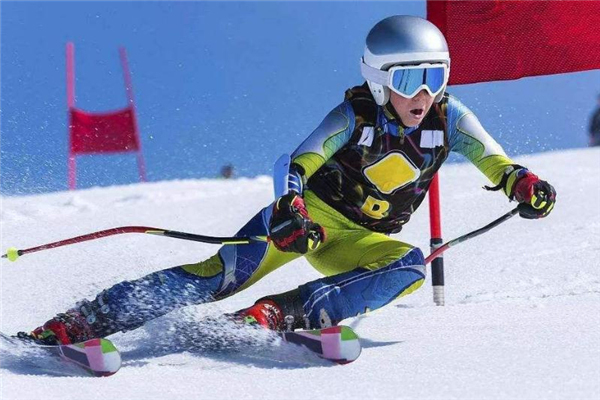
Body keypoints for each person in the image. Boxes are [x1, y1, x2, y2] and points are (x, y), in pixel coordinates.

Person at [22, 15, 556, 345]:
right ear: (378, 79)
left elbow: (498, 162)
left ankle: (278, 314)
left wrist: (524, 185)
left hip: (355, 241)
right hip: (304, 223)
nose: (423, 95)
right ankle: (83, 321)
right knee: (217, 276)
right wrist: (290, 210)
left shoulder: (449, 118)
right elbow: (296, 163)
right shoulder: (355, 116)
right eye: (409, 79)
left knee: (410, 265)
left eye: (434, 78)